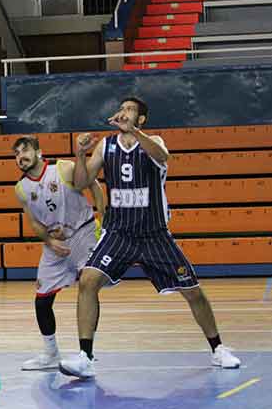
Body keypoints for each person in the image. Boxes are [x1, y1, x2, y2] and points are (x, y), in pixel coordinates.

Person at [59, 96, 241, 378]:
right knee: (88, 281)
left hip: (154, 234)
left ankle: (218, 349)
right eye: (121, 109)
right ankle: (85, 356)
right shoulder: (106, 146)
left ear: (141, 119)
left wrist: (135, 132)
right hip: (119, 233)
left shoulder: (152, 141)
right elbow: (82, 183)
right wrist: (81, 154)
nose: (123, 113)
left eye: (130, 110)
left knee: (193, 291)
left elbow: (162, 156)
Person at [12, 135, 105, 370]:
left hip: (83, 233)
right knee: (42, 301)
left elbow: (92, 184)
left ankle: (87, 354)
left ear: (39, 152)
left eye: (25, 151)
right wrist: (49, 241)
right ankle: (51, 353)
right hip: (55, 244)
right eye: (16, 154)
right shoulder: (21, 188)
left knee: (88, 288)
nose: (20, 157)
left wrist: (104, 217)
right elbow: (33, 221)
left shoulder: (62, 168)